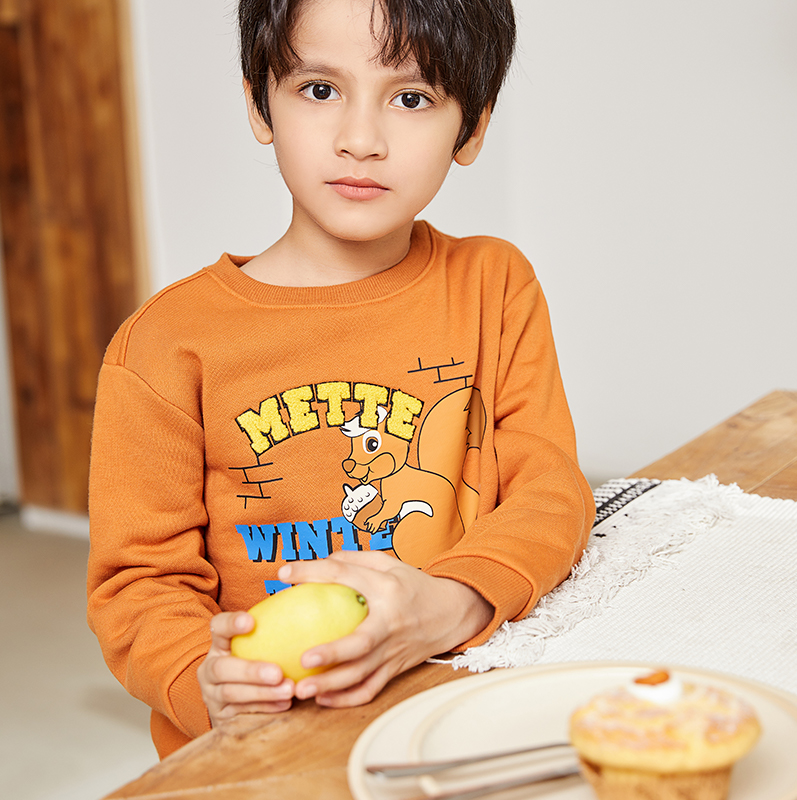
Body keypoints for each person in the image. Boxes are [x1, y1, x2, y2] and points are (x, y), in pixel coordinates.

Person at [87, 0, 595, 760]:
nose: (361, 141)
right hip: (266, 749)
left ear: (474, 127)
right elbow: (139, 584)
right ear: (262, 101)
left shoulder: (495, 287)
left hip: (454, 724)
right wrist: (204, 678)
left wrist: (449, 606)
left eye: (412, 98)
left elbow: (549, 493)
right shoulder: (163, 346)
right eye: (320, 90)